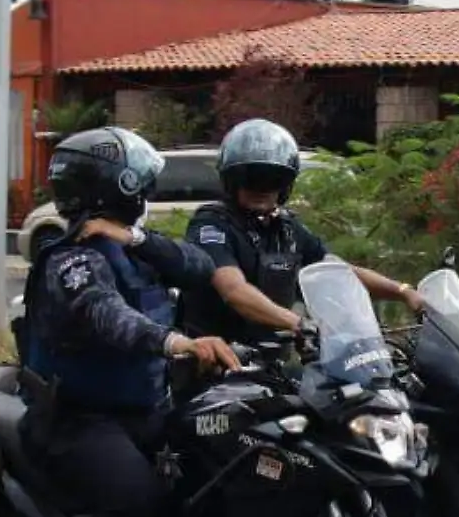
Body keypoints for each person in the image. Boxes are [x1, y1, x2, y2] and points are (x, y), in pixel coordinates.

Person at [16, 125, 240, 517]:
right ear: (115, 188)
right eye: (139, 187)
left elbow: (197, 267)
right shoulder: (71, 259)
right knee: (137, 501)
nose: (146, 197)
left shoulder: (130, 249)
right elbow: (106, 316)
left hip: (143, 412)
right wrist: (178, 343)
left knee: (219, 474)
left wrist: (134, 239)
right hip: (77, 420)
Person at [180, 118, 425, 347]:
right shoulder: (211, 225)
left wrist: (403, 291)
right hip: (216, 362)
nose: (262, 188)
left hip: (272, 358)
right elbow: (234, 290)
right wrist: (298, 323)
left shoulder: (286, 228)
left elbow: (338, 271)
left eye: (273, 178)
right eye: (251, 177)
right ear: (231, 180)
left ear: (286, 184)